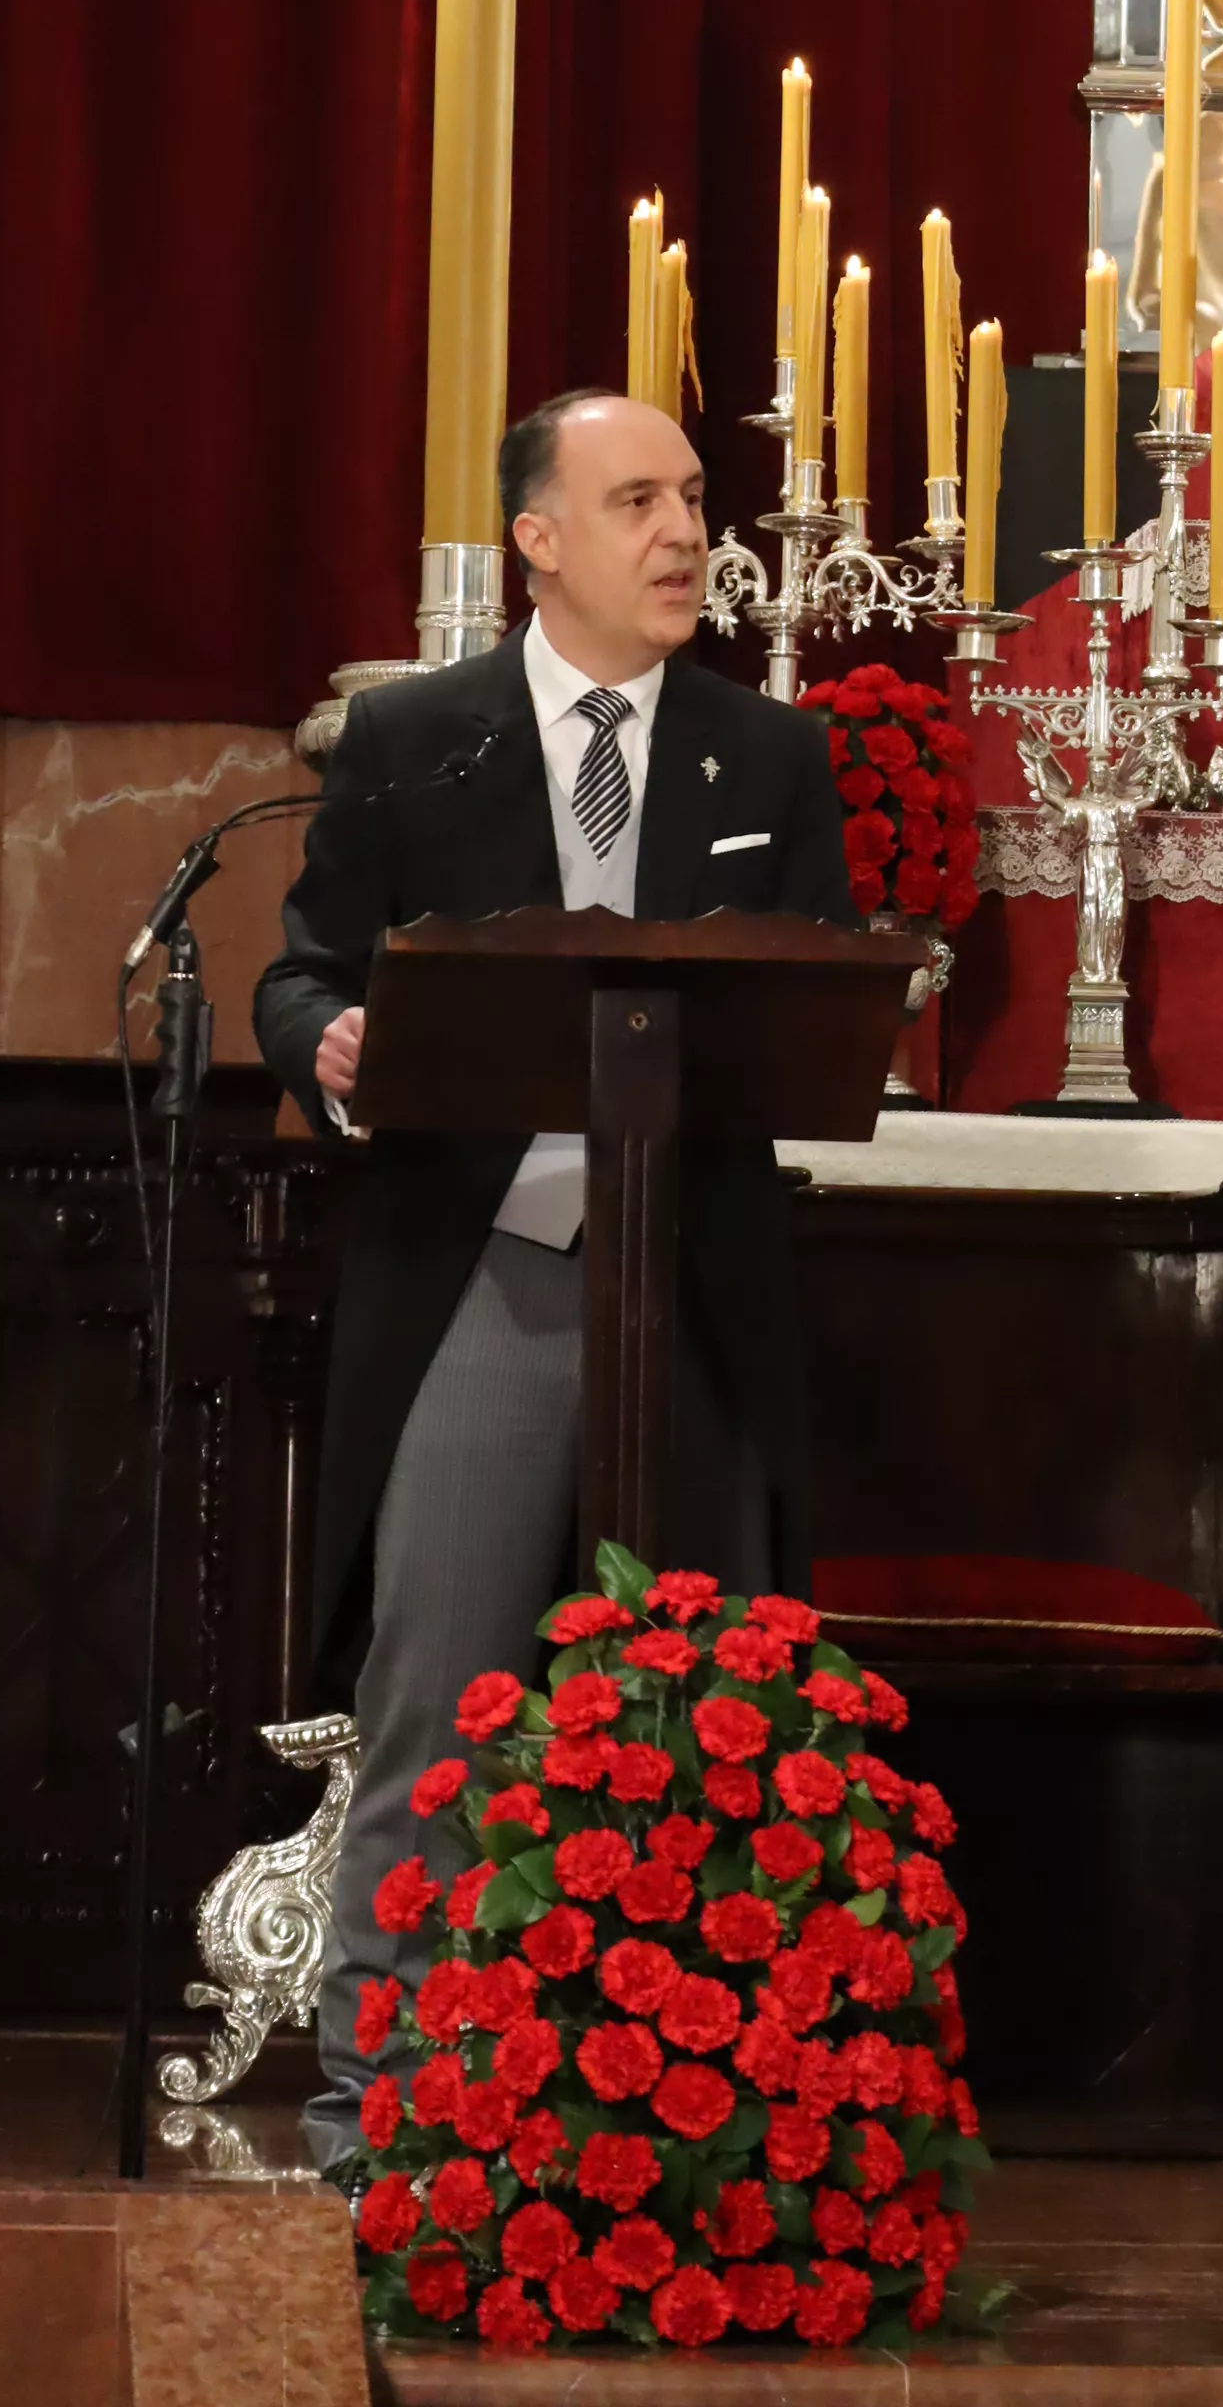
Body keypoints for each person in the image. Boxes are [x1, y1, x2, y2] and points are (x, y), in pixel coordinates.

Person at [254, 387, 853, 2170]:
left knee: (718, 1692)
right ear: (539, 537)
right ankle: (382, 2110)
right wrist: (330, 1036)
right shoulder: (415, 739)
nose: (687, 533)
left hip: (694, 1282)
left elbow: (819, 986)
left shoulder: (770, 756)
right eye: (640, 499)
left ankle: (706, 2122)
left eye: (693, 497)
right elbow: (297, 970)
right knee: (435, 1690)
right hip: (486, 1274)